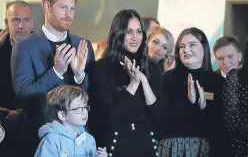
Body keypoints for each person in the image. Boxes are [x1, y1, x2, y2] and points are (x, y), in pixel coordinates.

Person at [11, 0, 94, 156]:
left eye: (72, 8)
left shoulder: (82, 44)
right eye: (63, 7)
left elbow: (91, 97)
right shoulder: (24, 47)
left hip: (78, 142)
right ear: (47, 6)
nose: (68, 14)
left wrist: (80, 76)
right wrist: (56, 72)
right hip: (38, 138)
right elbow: (22, 94)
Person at [88, 9, 162, 157]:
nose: (135, 38)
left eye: (139, 31)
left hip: (147, 147)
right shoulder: (100, 68)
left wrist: (143, 82)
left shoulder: (152, 67)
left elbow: (158, 116)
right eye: (129, 32)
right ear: (118, 33)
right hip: (114, 147)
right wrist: (133, 85)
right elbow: (111, 119)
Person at [146, 27, 229, 157]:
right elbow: (161, 119)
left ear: (204, 47)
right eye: (181, 46)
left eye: (192, 45)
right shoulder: (168, 78)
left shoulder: (218, 81)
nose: (186, 50)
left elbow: (221, 126)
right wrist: (189, 103)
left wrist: (203, 106)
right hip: (172, 148)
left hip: (205, 149)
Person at [34, 85, 107, 157]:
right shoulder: (51, 140)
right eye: (78, 108)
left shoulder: (89, 140)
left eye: (84, 107)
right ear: (62, 115)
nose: (84, 112)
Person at [0, 0, 33, 109]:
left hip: (34, 115)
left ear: (31, 23)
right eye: (15, 20)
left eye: (26, 20)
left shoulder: (44, 48)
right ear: (6, 23)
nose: (21, 26)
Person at [221, 42, 248, 157]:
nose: (225, 62)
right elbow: (232, 122)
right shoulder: (235, 77)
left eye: (230, 56)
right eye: (221, 58)